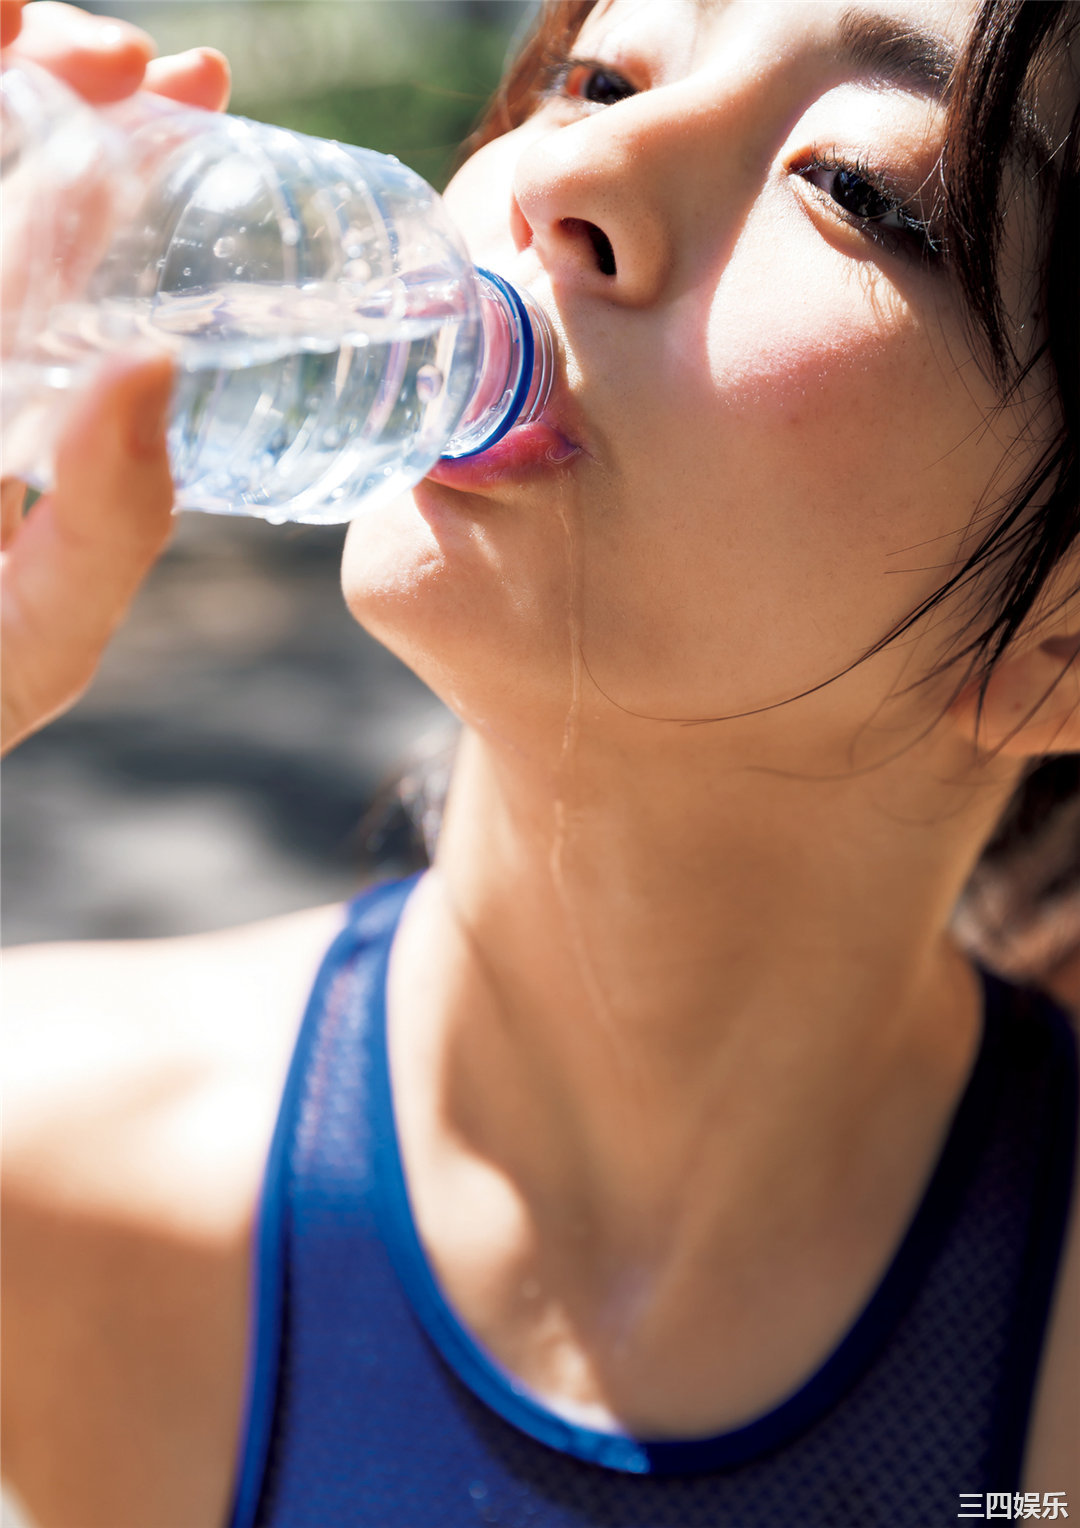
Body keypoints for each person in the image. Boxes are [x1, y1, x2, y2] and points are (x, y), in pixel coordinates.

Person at [2, 0, 1077, 1524]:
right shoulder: (51, 1159)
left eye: (856, 187)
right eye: (599, 77)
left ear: (1060, 648)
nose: (573, 167)